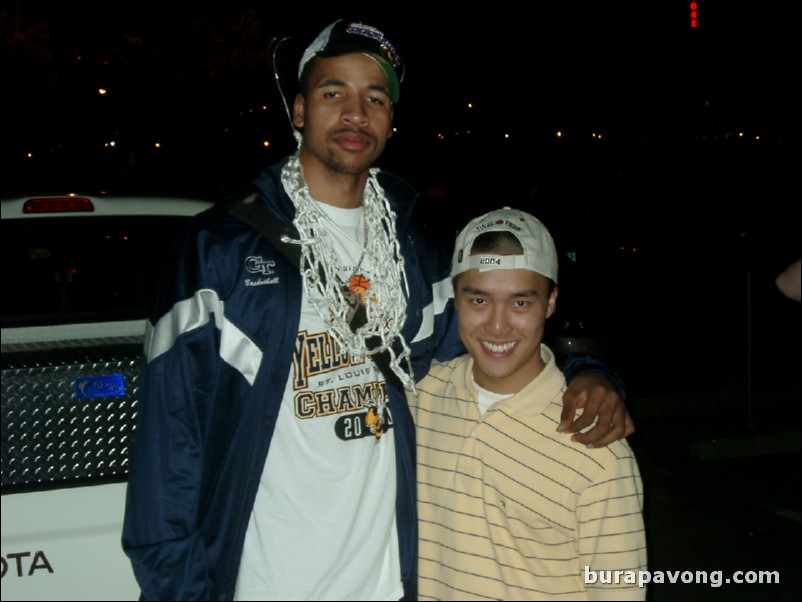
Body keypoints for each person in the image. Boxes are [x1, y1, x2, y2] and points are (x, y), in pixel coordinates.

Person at [122, 18, 633, 601]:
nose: (355, 113)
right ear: (298, 110)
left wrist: (592, 375)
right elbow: (169, 443)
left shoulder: (415, 253)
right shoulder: (219, 251)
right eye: (333, 92)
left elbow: (495, 350)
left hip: (387, 584)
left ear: (391, 118)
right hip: (266, 583)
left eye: (375, 97)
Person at [412, 207, 647, 600]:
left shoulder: (598, 447)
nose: (498, 326)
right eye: (479, 301)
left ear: (551, 302)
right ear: (455, 298)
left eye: (520, 303)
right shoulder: (418, 400)